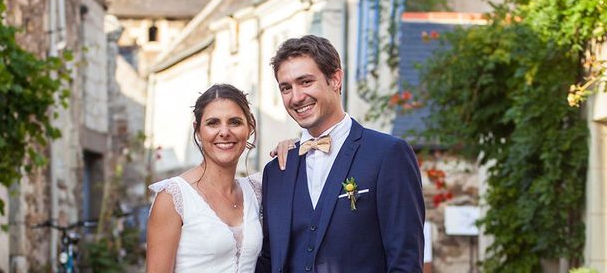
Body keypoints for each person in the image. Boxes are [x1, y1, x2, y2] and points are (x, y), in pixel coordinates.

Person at [256, 35, 425, 273]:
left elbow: (405, 261)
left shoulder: (388, 154)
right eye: (286, 87)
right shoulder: (277, 171)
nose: (296, 97)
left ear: (335, 79)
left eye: (305, 82)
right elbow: (268, 259)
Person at [146, 84, 262, 273]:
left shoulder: (255, 192)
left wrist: (289, 146)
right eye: (213, 123)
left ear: (250, 127)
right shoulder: (174, 197)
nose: (224, 132)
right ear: (198, 130)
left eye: (235, 122)